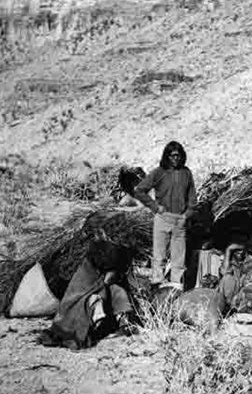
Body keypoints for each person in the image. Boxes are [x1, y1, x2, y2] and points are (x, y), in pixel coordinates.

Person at [41, 239, 138, 349]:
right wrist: (105, 284)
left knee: (118, 292)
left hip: (96, 295)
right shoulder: (85, 271)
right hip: (74, 310)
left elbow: (106, 285)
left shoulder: (103, 271)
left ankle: (124, 326)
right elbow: (80, 294)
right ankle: (89, 333)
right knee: (95, 300)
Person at [135, 141, 197, 289]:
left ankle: (176, 287)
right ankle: (157, 286)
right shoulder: (159, 172)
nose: (175, 159)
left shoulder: (186, 173)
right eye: (172, 156)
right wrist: (155, 206)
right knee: (159, 256)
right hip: (162, 218)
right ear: (167, 156)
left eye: (178, 155)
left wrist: (186, 216)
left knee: (178, 259)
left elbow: (193, 199)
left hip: (179, 220)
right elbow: (139, 190)